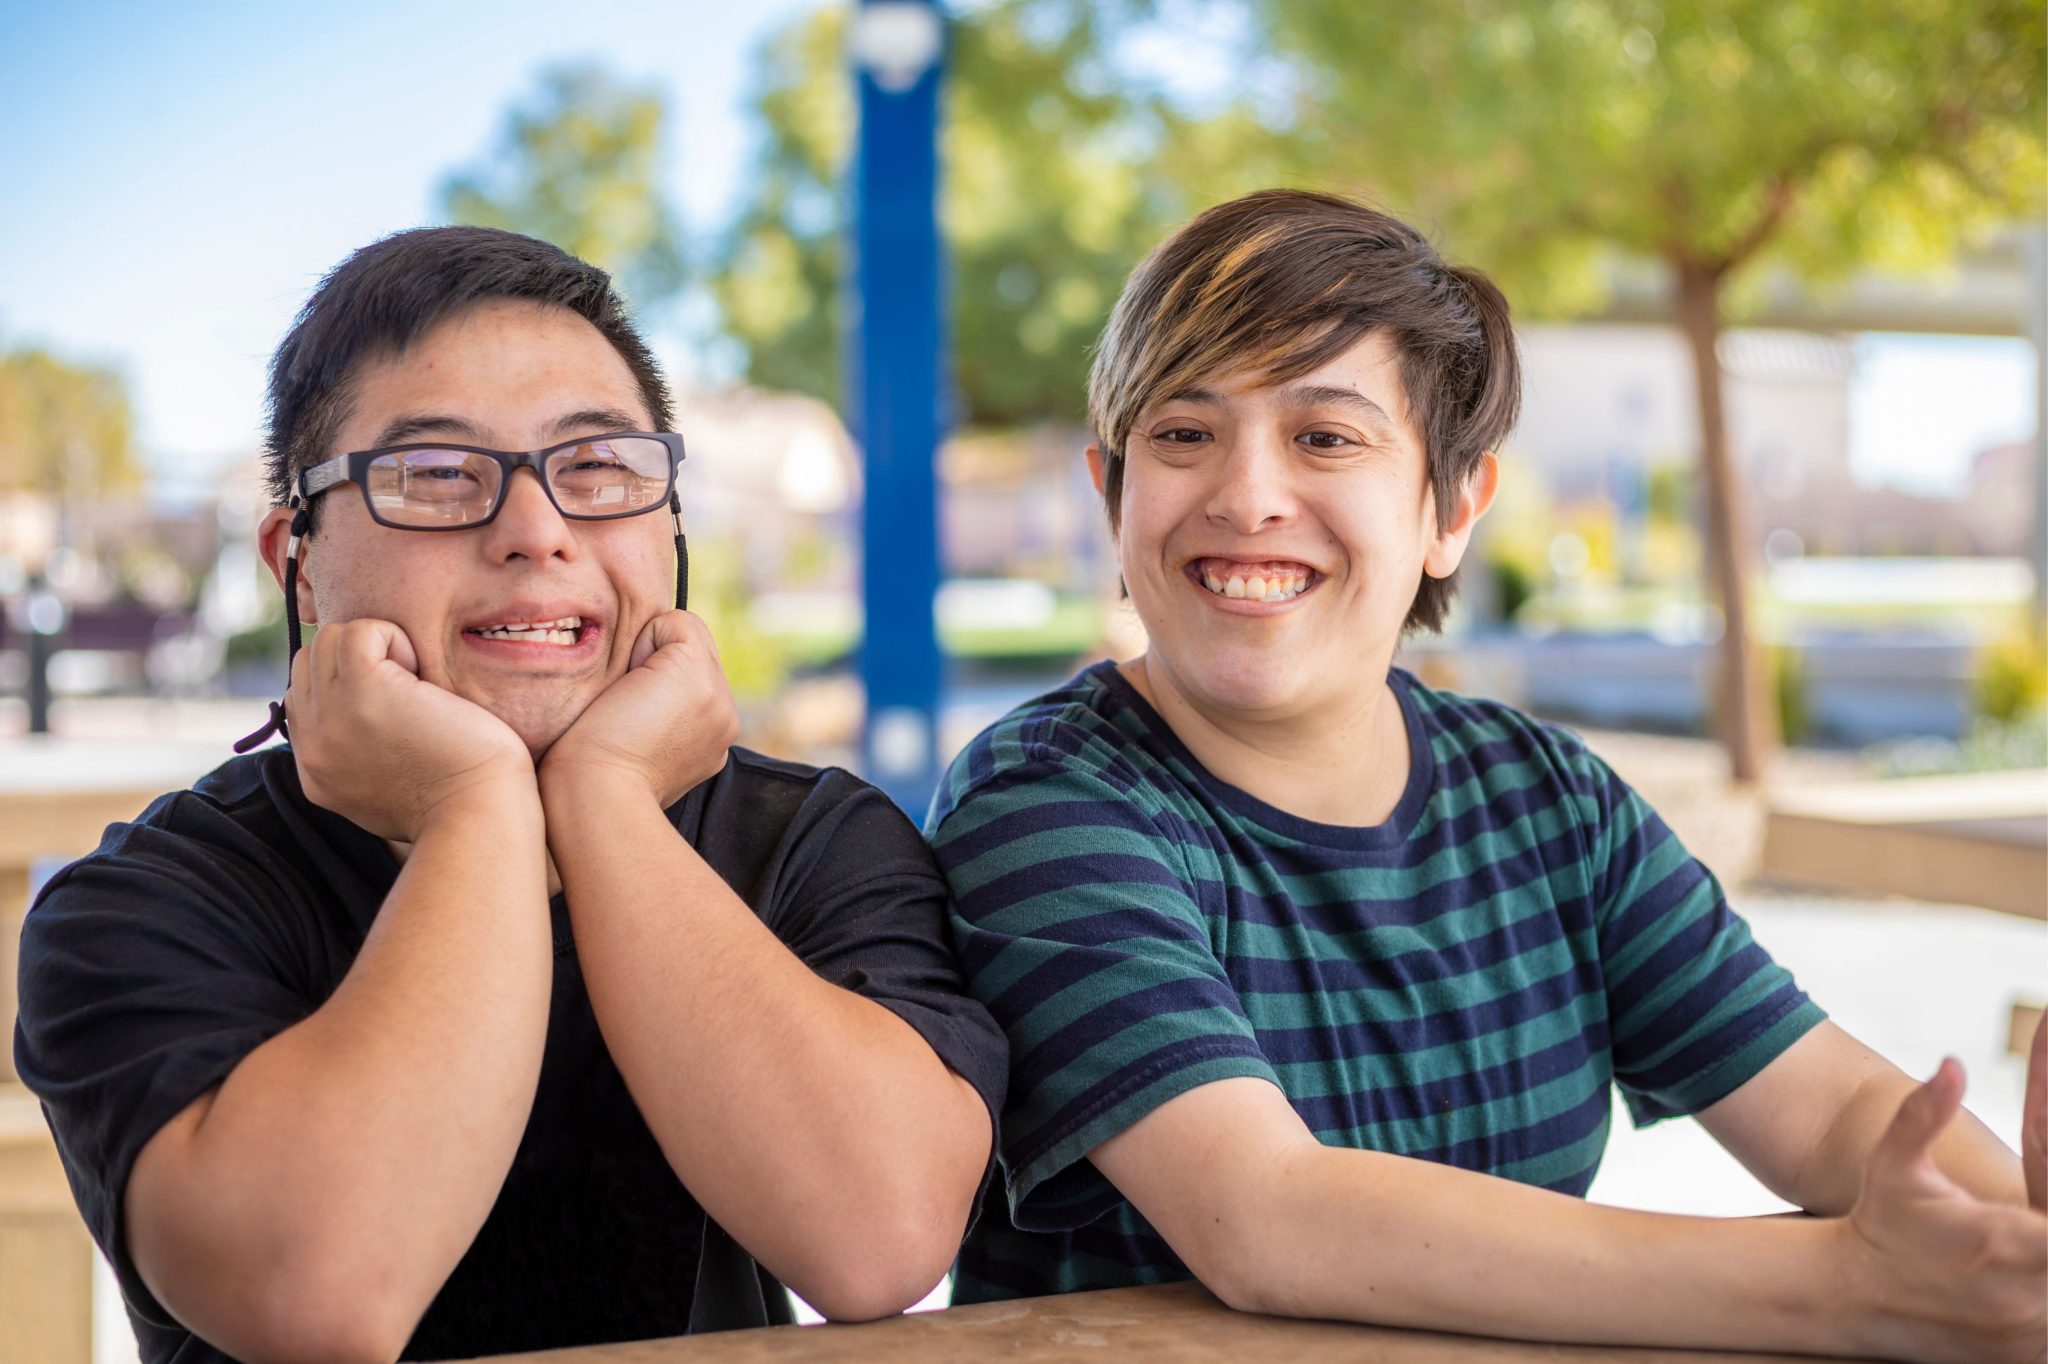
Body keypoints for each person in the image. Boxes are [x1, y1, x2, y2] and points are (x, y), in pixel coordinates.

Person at [925, 189, 2046, 1361]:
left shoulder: (1548, 800)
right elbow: (1268, 1218)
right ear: (1110, 491)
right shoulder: (1043, 801)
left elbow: (1830, 1110)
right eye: (1182, 432)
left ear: (1452, 507)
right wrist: (1846, 1286)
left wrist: (1998, 1242)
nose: (1246, 494)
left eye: (1324, 436)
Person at [15, 227, 1007, 1364]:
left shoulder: (809, 840)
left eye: (595, 469)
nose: (535, 532)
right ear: (296, 555)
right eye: (436, 476)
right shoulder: (147, 900)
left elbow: (876, 1239)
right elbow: (323, 1293)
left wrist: (605, 801)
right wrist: (478, 802)